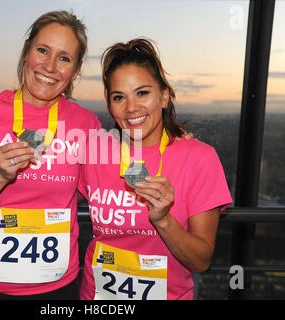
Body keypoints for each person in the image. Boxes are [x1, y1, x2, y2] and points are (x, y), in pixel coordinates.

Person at [0, 10, 101, 299]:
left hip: (57, 287)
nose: (50, 66)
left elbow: (107, 180)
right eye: (42, 50)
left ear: (75, 71)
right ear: (26, 51)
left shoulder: (86, 124)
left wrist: (174, 140)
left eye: (64, 58)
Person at [78, 38, 232, 300]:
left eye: (142, 92)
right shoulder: (95, 152)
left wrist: (163, 220)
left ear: (164, 96)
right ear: (109, 104)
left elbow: (201, 260)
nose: (131, 108)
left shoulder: (200, 159)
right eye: (119, 97)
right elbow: (50, 192)